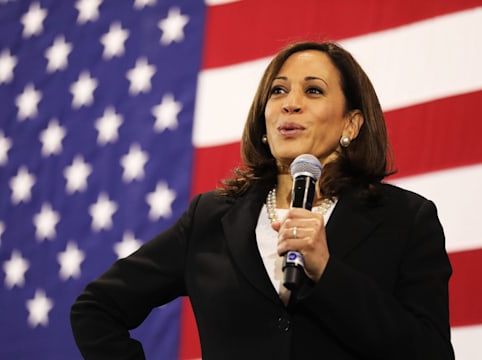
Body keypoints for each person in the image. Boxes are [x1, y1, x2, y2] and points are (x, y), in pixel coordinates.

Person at [70, 41, 455, 359]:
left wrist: (328, 272)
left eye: (314, 90)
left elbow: (430, 353)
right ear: (265, 121)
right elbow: (96, 309)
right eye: (279, 90)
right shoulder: (211, 218)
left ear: (350, 125)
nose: (291, 103)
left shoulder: (406, 219)